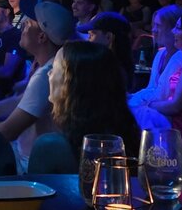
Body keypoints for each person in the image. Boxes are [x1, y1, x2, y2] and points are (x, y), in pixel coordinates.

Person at [0, 1, 76, 173]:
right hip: (27, 155)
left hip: (27, 164)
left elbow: (8, 131)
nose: (21, 28)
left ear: (41, 37)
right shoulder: (48, 66)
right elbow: (21, 101)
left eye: (27, 24)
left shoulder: (47, 75)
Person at [28, 41, 140, 174]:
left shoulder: (50, 146)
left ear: (70, 83)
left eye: (54, 68)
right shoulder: (127, 137)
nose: (49, 74)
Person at [128, 5, 182, 107]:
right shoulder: (160, 54)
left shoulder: (181, 57)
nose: (153, 30)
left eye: (158, 26)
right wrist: (132, 96)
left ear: (173, 28)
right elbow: (151, 88)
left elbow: (164, 96)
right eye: (153, 25)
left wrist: (134, 101)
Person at [76, 12, 134, 90]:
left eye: (92, 35)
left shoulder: (110, 72)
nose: (88, 41)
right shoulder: (116, 68)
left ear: (108, 37)